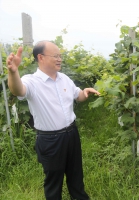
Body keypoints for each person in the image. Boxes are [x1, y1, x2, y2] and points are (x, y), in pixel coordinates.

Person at [6, 40, 100, 200]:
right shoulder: (32, 81)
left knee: (76, 175)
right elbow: (18, 90)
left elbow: (78, 95)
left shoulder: (64, 78)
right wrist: (13, 72)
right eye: (55, 56)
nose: (59, 59)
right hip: (50, 140)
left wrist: (85, 92)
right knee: (53, 181)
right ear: (41, 57)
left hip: (71, 134)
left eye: (60, 56)